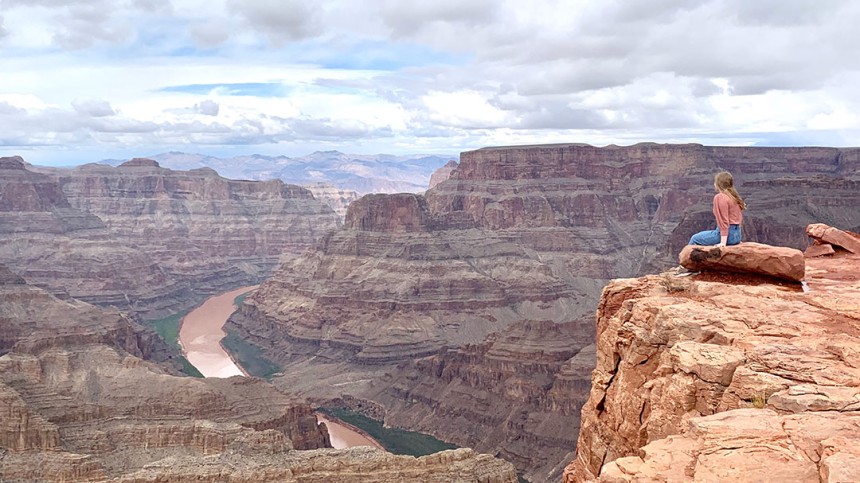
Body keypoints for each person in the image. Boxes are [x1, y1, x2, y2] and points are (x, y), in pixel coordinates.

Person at [688, 171, 746, 247]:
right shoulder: (734, 197)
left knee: (695, 238)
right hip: (737, 236)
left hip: (727, 236)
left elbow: (723, 221)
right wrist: (736, 239)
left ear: (718, 184)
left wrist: (723, 243)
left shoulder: (720, 197)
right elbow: (738, 218)